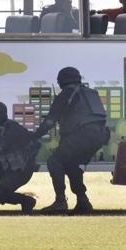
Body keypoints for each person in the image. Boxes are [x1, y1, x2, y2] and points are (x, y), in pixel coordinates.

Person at [34, 67, 109, 214]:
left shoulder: (66, 94)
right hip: (99, 136)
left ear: (61, 81)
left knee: (54, 161)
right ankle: (83, 201)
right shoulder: (90, 93)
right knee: (70, 164)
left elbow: (50, 121)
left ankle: (60, 201)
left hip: (81, 135)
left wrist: (34, 136)